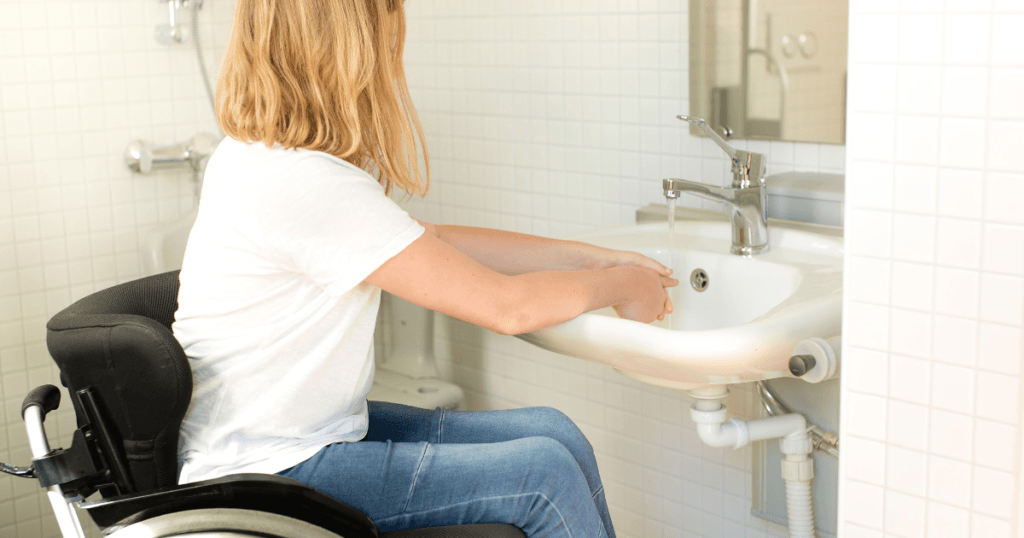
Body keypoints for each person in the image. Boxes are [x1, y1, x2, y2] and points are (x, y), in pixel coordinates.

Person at [172, 1, 679, 536]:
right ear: (348, 46)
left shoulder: (258, 154)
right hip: (274, 469)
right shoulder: (305, 182)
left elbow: (429, 241)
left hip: (294, 436)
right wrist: (622, 284)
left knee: (556, 433)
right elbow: (509, 308)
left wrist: (591, 258)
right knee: (542, 474)